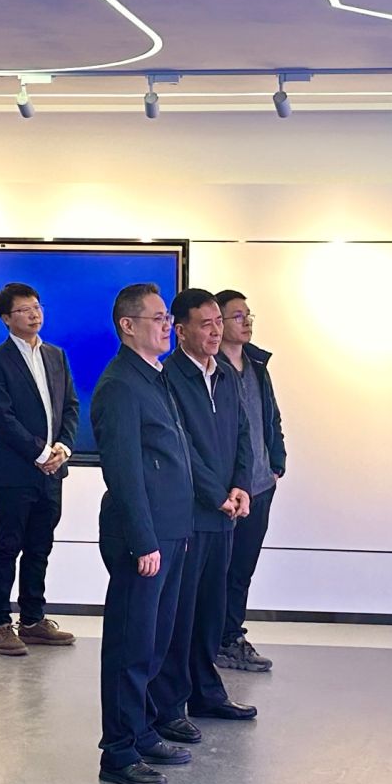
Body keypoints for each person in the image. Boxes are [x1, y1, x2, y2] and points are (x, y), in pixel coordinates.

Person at [90, 282, 195, 784]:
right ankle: (118, 751)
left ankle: (143, 729)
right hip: (143, 537)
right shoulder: (120, 385)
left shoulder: (154, 377)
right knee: (130, 647)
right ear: (127, 326)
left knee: (154, 643)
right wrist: (144, 540)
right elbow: (125, 472)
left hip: (171, 531)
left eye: (167, 318)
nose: (167, 326)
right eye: (157, 318)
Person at [152, 289, 259, 737]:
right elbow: (181, 446)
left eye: (219, 322)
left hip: (224, 514)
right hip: (189, 515)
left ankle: (206, 692)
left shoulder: (227, 375)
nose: (216, 331)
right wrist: (216, 493)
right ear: (180, 331)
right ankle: (170, 703)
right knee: (181, 613)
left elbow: (243, 434)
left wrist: (241, 485)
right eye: (206, 324)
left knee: (212, 609)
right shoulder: (169, 378)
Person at [0, 282, 79, 657]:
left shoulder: (56, 355)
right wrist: (40, 452)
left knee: (40, 547)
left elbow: (70, 406)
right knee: (6, 547)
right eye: (24, 309)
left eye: (37, 306)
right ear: (7, 318)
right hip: (15, 472)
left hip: (53, 471)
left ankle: (33, 619)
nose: (35, 314)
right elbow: (2, 418)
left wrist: (62, 448)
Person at [215, 289, 286, 673]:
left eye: (248, 315)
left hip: (260, 485)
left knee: (242, 568)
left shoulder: (258, 365)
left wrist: (277, 463)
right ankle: (213, 639)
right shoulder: (210, 368)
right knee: (218, 569)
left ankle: (231, 637)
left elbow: (271, 417)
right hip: (227, 490)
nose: (246, 322)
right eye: (237, 316)